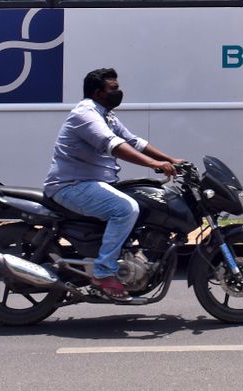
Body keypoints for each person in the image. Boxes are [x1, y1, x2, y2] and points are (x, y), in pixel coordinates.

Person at [44, 68, 182, 300]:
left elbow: (133, 141)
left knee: (143, 198)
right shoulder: (85, 114)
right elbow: (113, 145)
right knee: (125, 208)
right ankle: (104, 272)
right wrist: (153, 164)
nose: (119, 93)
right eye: (114, 89)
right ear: (99, 93)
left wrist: (170, 159)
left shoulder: (106, 114)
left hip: (92, 183)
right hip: (70, 185)